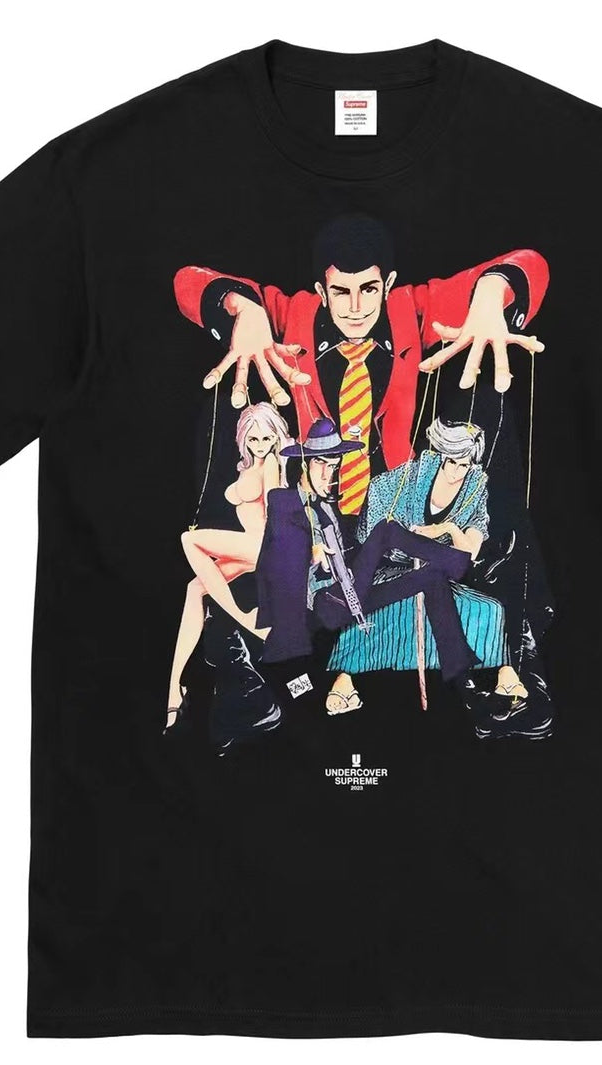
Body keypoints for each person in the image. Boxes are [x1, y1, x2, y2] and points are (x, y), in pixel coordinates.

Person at [172, 213, 549, 515]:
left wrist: (491, 292)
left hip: (397, 500)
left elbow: (530, 262)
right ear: (322, 293)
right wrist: (243, 307)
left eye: (369, 289)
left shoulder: (410, 310)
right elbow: (186, 280)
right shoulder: (295, 315)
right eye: (341, 292)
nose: (356, 308)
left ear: (388, 285)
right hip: (316, 500)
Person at [252, 418, 480, 691]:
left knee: (431, 577)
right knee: (385, 530)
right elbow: (283, 550)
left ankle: (460, 673)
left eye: (333, 466)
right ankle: (462, 564)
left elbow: (346, 554)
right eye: (321, 464)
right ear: (303, 464)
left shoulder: (326, 508)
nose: (328, 475)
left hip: (348, 597)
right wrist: (310, 554)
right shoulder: (283, 502)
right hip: (322, 608)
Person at [324, 418, 528, 719]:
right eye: (451, 462)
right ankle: (345, 679)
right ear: (441, 455)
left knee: (488, 608)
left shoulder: (475, 486)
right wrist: (409, 541)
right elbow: (374, 532)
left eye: (464, 465)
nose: (456, 472)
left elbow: (470, 551)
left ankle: (498, 676)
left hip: (438, 571)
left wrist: (446, 528)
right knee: (381, 607)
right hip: (391, 567)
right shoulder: (410, 476)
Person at [165, 401, 291, 729]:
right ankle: (173, 688)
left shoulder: (272, 464)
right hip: (249, 547)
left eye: (267, 438)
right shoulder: (248, 465)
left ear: (276, 437)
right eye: (254, 439)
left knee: (189, 540)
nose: (260, 445)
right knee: (195, 588)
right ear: (243, 438)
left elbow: (275, 509)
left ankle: (245, 619)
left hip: (262, 547)